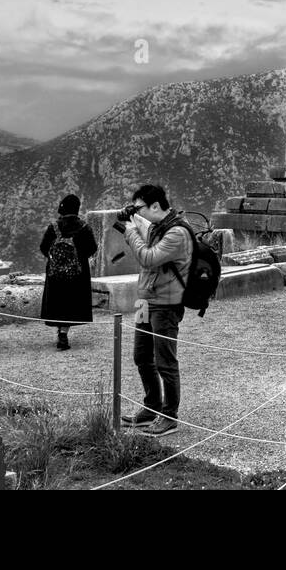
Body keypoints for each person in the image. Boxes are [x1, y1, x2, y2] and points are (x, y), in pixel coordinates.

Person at [114, 184, 191, 437]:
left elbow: (148, 257)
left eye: (139, 208)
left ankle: (169, 416)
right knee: (141, 356)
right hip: (146, 301)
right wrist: (133, 220)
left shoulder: (177, 232)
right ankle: (151, 407)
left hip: (166, 304)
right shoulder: (158, 226)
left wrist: (130, 231)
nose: (137, 212)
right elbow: (146, 246)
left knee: (165, 361)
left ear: (155, 206)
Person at [39, 194, 97, 350]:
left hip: (55, 273)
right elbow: (92, 248)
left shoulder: (54, 227)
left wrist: (56, 259)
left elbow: (44, 247)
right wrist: (78, 258)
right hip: (77, 274)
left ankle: (61, 331)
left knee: (59, 302)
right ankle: (63, 333)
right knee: (71, 303)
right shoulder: (84, 227)